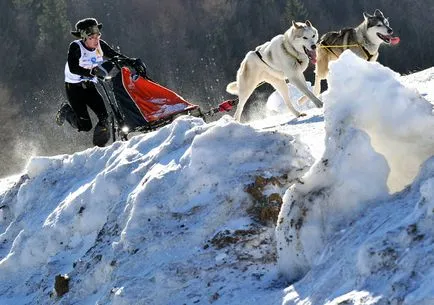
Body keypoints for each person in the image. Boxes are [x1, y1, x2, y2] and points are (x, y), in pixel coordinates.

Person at [56, 17, 126, 147]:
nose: (96, 40)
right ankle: (66, 111)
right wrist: (92, 72)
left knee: (104, 118)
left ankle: (100, 147)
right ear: (83, 38)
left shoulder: (100, 45)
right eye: (91, 37)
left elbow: (115, 56)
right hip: (74, 89)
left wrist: (131, 61)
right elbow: (73, 68)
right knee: (85, 126)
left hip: (89, 87)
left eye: (97, 35)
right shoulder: (76, 47)